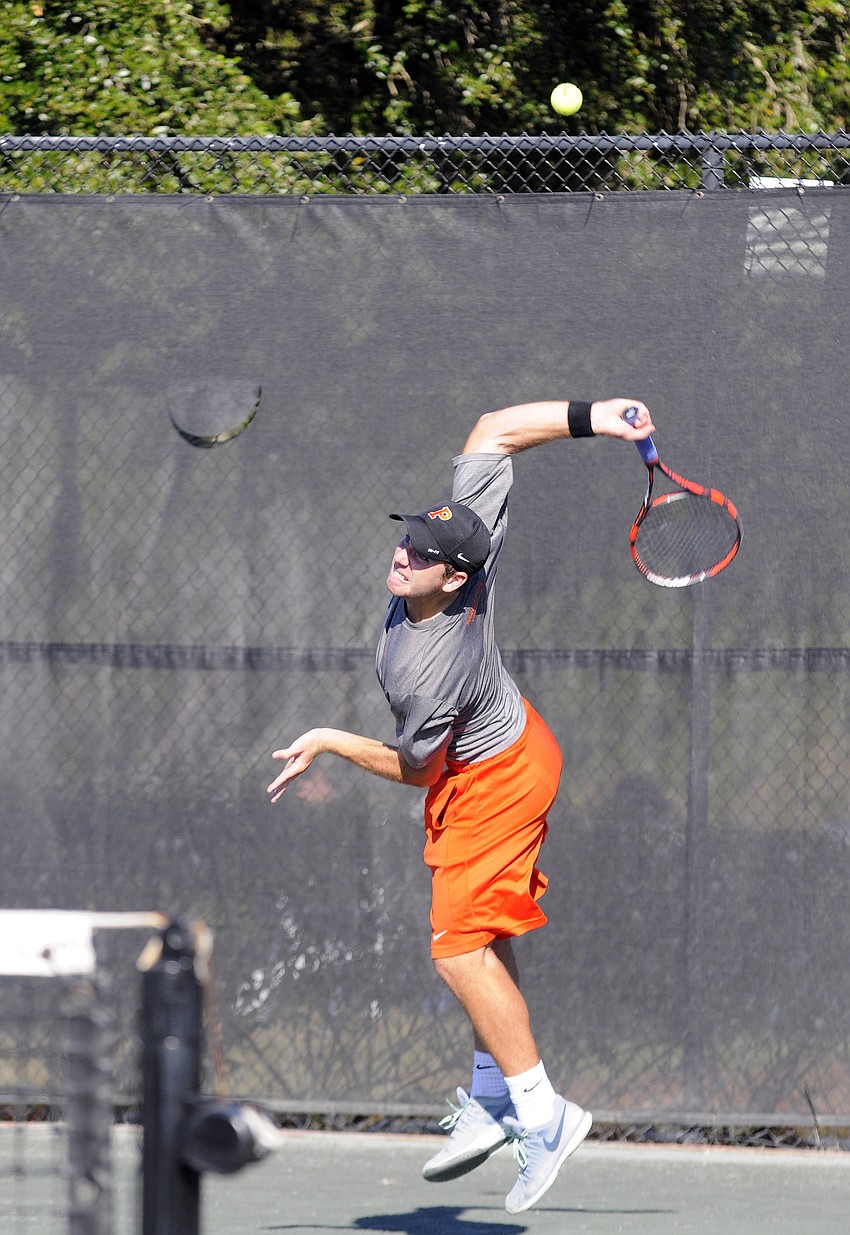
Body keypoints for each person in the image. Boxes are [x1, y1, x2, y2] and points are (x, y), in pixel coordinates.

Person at [267, 396, 655, 1213]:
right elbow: (494, 429)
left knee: (455, 951)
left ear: (456, 577)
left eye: (421, 552)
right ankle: (494, 1094)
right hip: (503, 755)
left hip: (499, 778)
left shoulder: (429, 668)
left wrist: (333, 739)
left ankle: (546, 1117)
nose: (403, 551)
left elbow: (417, 771)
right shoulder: (466, 540)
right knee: (476, 934)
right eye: (407, 536)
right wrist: (596, 415)